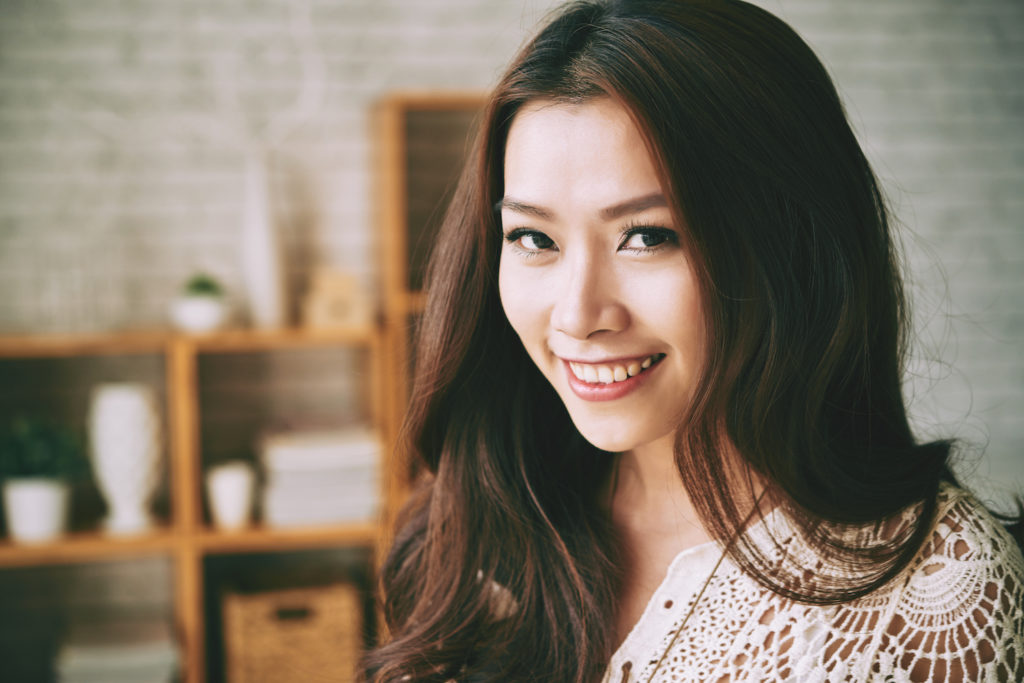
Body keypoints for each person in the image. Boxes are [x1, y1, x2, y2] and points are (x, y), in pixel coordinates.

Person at [364, 1, 1024, 681]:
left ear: (791, 247)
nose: (578, 315)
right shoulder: (479, 514)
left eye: (647, 236)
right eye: (534, 237)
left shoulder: (938, 592)